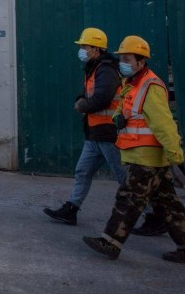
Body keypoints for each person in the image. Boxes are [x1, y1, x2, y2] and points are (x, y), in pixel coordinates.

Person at [83, 36, 185, 263]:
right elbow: (125, 110)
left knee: (128, 199)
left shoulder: (151, 86)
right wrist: (118, 118)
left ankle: (110, 242)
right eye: (121, 58)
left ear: (141, 62)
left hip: (147, 156)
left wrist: (175, 153)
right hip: (142, 154)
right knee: (167, 202)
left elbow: (163, 124)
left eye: (127, 59)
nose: (123, 63)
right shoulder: (132, 83)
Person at [44, 28, 125, 225]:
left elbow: (103, 98)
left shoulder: (106, 69)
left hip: (109, 135)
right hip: (94, 133)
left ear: (96, 49)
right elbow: (88, 92)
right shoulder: (94, 67)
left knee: (126, 179)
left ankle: (154, 214)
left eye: (84, 46)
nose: (81, 50)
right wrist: (81, 98)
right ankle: (71, 209)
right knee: (83, 171)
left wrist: (83, 106)